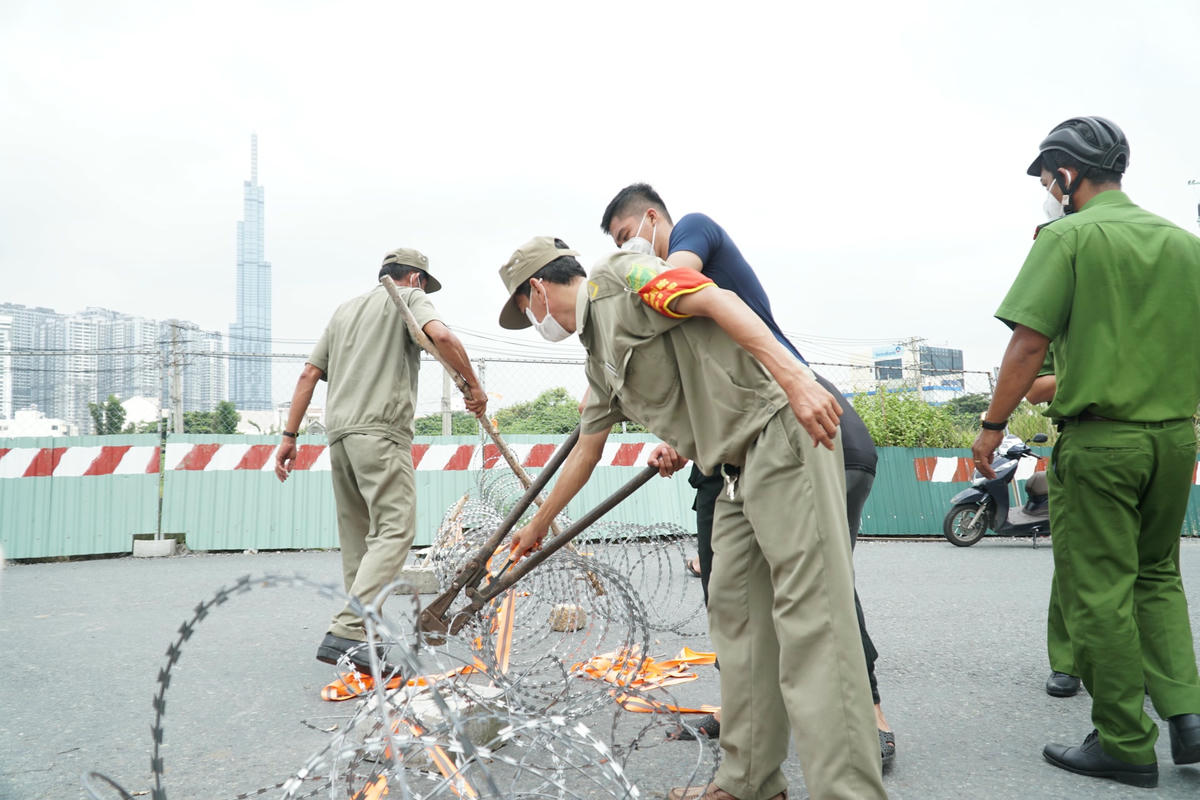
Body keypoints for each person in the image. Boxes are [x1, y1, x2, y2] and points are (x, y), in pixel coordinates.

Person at [496, 236, 887, 800]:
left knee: (814, 626)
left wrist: (799, 379)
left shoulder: (622, 275)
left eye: (525, 308)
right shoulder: (598, 357)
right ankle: (748, 782)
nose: (532, 320)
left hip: (779, 436)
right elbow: (586, 450)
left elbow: (715, 301)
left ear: (537, 288)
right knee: (739, 626)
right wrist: (537, 527)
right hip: (729, 471)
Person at [599, 184, 893, 765]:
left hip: (797, 422)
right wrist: (673, 441)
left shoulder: (693, 234)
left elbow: (674, 286)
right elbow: (701, 383)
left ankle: (867, 720)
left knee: (810, 596)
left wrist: (631, 275)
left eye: (625, 236)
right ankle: (753, 726)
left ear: (652, 219)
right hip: (766, 434)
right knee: (758, 593)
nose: (626, 250)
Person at [971, 116, 1200, 788]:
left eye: (1049, 179)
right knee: (1157, 576)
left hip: (1101, 442)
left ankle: (1125, 743)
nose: (1048, 190)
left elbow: (1027, 344)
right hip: (1173, 439)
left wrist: (991, 427)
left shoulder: (1068, 237)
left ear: (1067, 173)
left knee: (1098, 589)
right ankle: (1188, 719)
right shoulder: (1184, 245)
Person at [276, 248, 486, 673]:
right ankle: (349, 627)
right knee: (394, 530)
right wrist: (473, 388)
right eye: (424, 283)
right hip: (381, 432)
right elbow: (442, 337)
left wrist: (289, 435)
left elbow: (308, 375)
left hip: (339, 438)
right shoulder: (406, 297)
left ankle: (363, 646)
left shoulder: (344, 312)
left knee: (359, 543)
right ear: (416, 278)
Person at [1025, 355, 1081, 699]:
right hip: (1086, 431)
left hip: (1166, 431)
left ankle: (1149, 665)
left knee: (1151, 565)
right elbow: (1036, 388)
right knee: (1073, 559)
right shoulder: (1070, 313)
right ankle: (1068, 661)